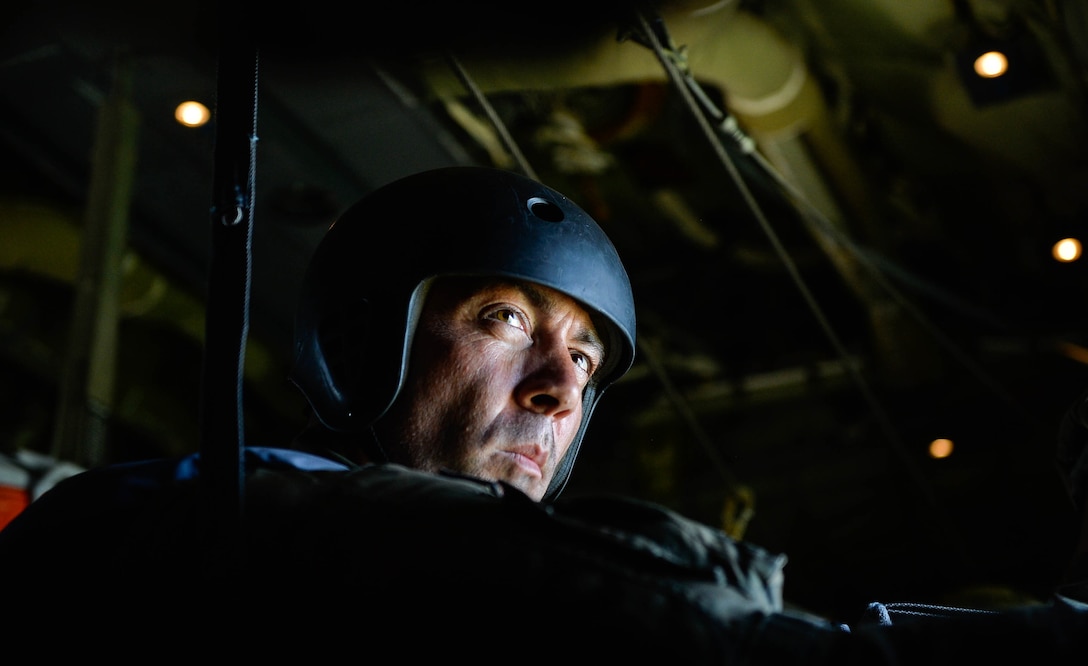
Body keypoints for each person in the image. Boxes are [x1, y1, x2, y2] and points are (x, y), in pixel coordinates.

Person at [0, 166, 1086, 663]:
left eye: (582, 358)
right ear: (360, 343)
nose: (558, 391)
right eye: (503, 317)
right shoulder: (184, 521)